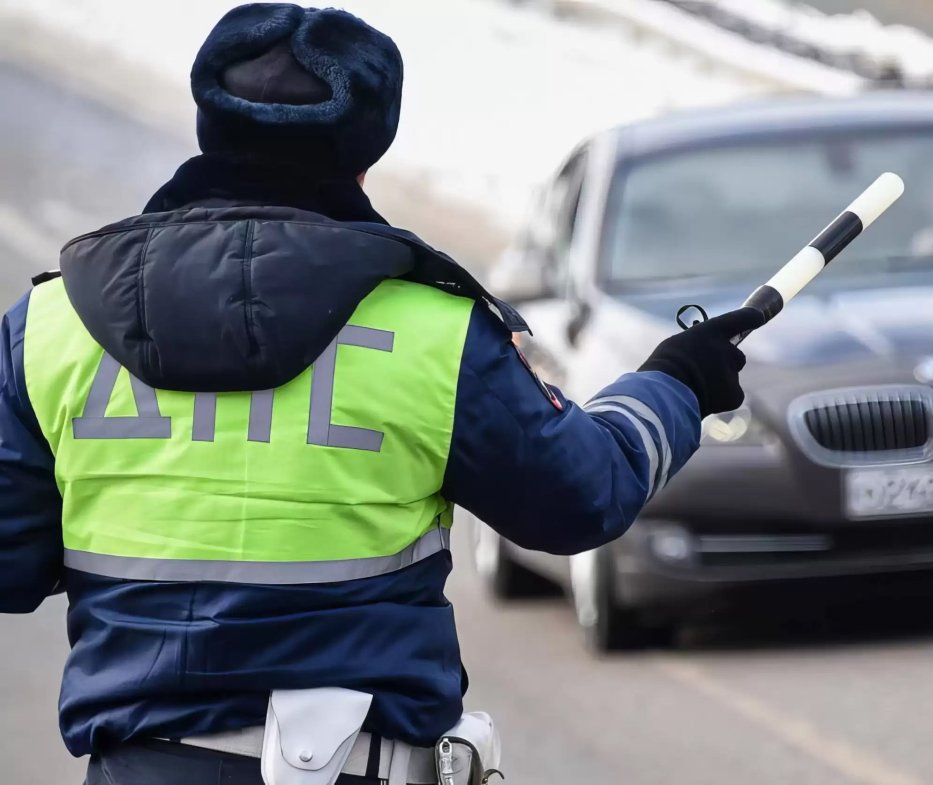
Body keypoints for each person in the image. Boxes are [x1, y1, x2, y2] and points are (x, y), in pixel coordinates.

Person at [0, 4, 762, 784]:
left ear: (209, 126)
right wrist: (675, 383)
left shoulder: (50, 326)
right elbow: (577, 496)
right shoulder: (431, 330)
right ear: (366, 150)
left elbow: (10, 562)